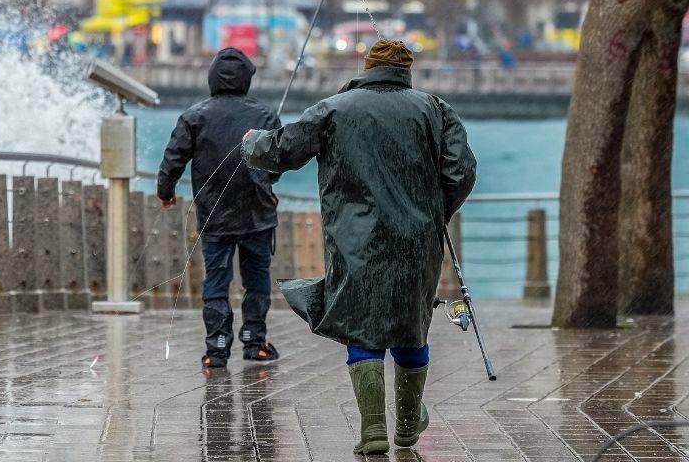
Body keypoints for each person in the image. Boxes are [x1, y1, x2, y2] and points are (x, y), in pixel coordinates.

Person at [240, 38, 477, 455]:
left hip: (354, 239)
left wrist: (250, 142)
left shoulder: (336, 107)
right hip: (417, 239)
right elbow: (462, 171)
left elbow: (283, 149)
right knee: (411, 322)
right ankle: (406, 424)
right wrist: (436, 212)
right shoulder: (436, 109)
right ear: (406, 69)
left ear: (368, 66)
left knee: (362, 321)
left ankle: (373, 430)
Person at [157, 47, 283, 369]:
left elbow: (174, 158)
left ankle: (217, 347)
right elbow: (278, 163)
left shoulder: (194, 116)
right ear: (246, 80)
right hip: (258, 213)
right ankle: (255, 342)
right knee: (256, 279)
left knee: (217, 281)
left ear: (212, 77)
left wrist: (165, 191)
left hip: (213, 214)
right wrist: (267, 180)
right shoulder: (266, 116)